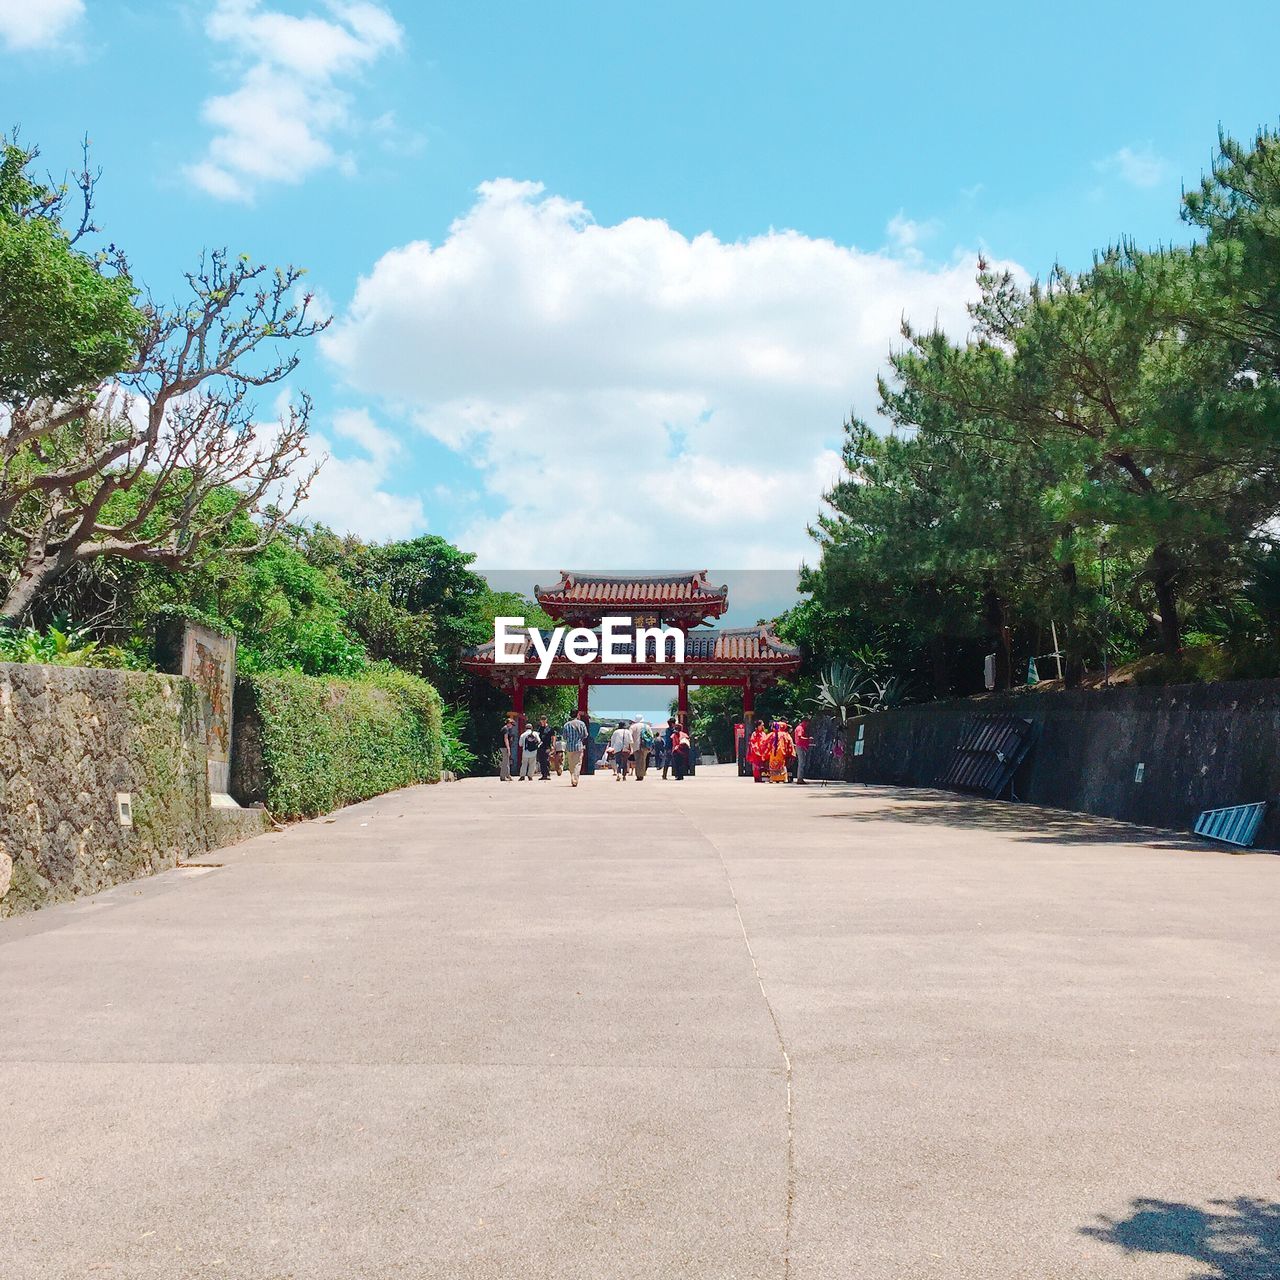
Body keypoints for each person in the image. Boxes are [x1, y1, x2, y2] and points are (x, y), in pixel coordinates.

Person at [562, 710, 588, 786]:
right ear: (577, 715)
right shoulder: (581, 724)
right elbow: (586, 735)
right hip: (579, 746)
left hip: (569, 747)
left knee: (571, 764)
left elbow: (564, 736)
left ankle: (572, 776)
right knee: (577, 763)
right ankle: (575, 779)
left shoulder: (566, 725)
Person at [631, 715, 654, 780]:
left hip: (636, 746)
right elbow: (651, 736)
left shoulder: (633, 726)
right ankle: (642, 774)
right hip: (645, 746)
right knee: (643, 760)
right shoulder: (647, 726)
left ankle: (639, 775)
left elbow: (630, 736)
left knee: (638, 761)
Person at [747, 719, 769, 783]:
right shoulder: (754, 734)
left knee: (763, 766)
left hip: (763, 753)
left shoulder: (763, 733)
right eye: (762, 725)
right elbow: (752, 743)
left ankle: (763, 777)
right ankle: (757, 778)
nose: (763, 726)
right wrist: (757, 750)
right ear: (758, 726)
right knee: (756, 766)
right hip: (756, 753)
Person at [794, 716, 812, 784]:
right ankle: (800, 778)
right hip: (800, 747)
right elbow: (799, 737)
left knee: (802, 763)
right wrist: (808, 739)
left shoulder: (800, 728)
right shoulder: (800, 728)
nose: (807, 725)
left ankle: (800, 778)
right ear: (804, 722)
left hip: (801, 747)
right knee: (801, 763)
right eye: (807, 723)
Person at [499, 716, 516, 781]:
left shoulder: (504, 728)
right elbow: (506, 738)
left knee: (507, 761)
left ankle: (508, 775)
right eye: (512, 724)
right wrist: (508, 748)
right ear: (509, 723)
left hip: (503, 747)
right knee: (505, 762)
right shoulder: (506, 729)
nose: (512, 726)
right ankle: (503, 776)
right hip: (504, 747)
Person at [536, 715, 552, 780]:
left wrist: (553, 746)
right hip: (540, 746)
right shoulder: (539, 728)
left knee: (546, 760)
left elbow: (553, 737)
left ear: (546, 720)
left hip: (547, 746)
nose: (543, 721)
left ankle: (547, 774)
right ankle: (543, 775)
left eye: (544, 719)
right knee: (541, 760)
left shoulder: (549, 728)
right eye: (542, 719)